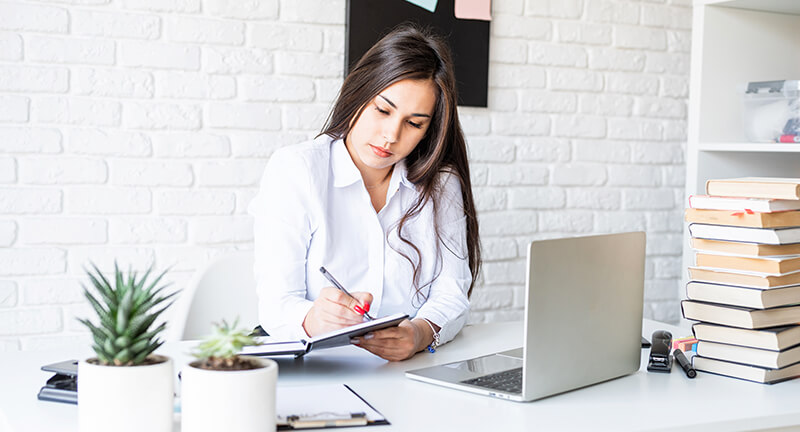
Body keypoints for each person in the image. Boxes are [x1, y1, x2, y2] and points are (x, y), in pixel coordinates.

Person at [249, 24, 481, 361]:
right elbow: (276, 303)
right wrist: (312, 319)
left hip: (408, 369)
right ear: (359, 93)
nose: (390, 135)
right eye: (383, 110)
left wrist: (419, 334)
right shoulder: (297, 170)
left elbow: (452, 293)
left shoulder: (440, 185)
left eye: (414, 123)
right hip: (321, 367)